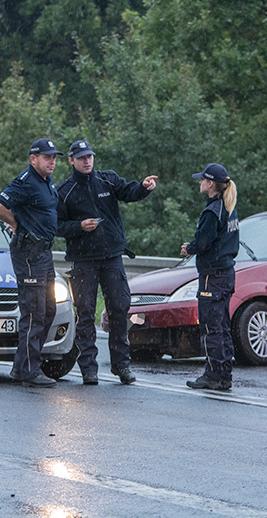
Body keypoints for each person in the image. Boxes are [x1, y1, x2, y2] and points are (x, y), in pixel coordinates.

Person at [57, 140, 158, 385]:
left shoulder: (107, 180)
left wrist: (144, 187)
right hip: (83, 260)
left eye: (89, 156)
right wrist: (79, 227)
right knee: (85, 313)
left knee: (119, 309)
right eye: (81, 158)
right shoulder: (64, 191)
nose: (87, 161)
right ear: (71, 161)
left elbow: (129, 192)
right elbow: (57, 227)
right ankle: (88, 368)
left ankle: (121, 365)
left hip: (112, 257)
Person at [0, 138, 62, 388]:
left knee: (49, 309)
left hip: (44, 252)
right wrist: (17, 225)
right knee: (34, 312)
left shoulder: (46, 181)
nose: (52, 161)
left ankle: (22, 365)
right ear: (34, 159)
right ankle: (30, 369)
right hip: (29, 254)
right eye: (47, 157)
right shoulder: (26, 181)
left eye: (54, 157)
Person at [180, 163, 239, 390]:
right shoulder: (229, 207)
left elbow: (204, 242)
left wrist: (190, 247)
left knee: (211, 326)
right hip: (226, 273)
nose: (200, 183)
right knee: (222, 326)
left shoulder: (212, 211)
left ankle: (212, 375)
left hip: (211, 276)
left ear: (211, 183)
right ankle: (224, 374)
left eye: (202, 179)